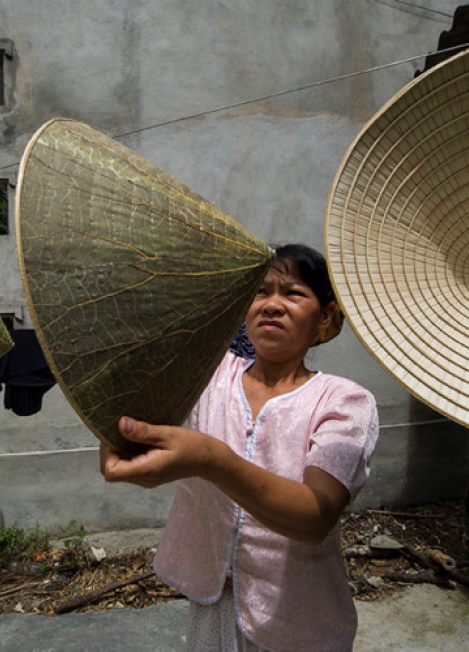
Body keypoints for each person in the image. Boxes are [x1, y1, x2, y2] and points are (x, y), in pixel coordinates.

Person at [100, 243, 379, 651]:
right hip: (213, 603)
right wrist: (117, 429)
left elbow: (315, 517)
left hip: (297, 620)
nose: (272, 305)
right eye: (261, 292)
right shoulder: (210, 378)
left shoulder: (344, 402)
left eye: (293, 293)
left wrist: (210, 459)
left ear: (326, 316)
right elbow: (135, 400)